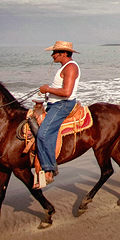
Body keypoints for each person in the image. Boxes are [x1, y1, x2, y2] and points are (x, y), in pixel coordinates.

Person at [36, 40, 81, 185]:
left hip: (63, 104)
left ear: (64, 53)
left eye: (55, 52)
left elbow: (67, 92)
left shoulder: (70, 67)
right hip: (56, 103)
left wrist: (47, 89)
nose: (52, 55)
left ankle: (49, 169)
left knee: (43, 133)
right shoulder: (65, 67)